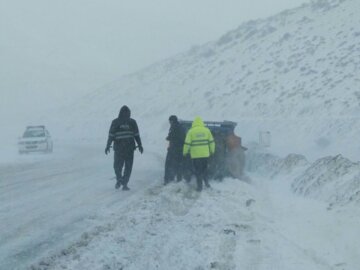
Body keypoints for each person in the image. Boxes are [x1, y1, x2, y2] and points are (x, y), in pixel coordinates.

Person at [105, 105, 143, 190]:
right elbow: (111, 135)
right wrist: (140, 145)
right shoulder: (123, 122)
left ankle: (122, 181)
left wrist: (140, 145)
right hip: (124, 148)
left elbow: (136, 135)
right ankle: (122, 181)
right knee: (123, 167)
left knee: (122, 166)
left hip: (124, 149)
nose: (126, 114)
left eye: (127, 112)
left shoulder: (127, 122)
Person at [183, 116, 215, 191]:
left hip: (196, 156)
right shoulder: (207, 130)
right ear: (201, 123)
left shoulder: (191, 131)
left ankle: (199, 187)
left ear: (194, 123)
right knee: (205, 169)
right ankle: (207, 183)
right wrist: (212, 151)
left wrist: (185, 152)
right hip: (205, 155)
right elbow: (211, 142)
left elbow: (187, 144)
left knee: (198, 171)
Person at [164, 115, 186, 185]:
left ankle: (167, 179)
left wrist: (168, 137)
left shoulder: (174, 127)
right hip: (181, 149)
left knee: (168, 164)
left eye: (170, 121)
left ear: (172, 121)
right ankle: (179, 178)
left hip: (174, 148)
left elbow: (171, 136)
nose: (169, 123)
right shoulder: (182, 127)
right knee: (179, 164)